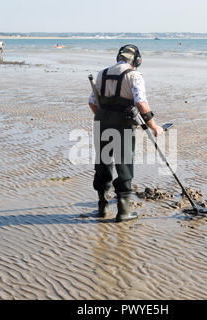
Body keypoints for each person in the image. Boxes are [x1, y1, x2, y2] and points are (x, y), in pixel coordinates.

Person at [88, 44, 163, 223]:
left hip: (102, 123)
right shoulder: (135, 76)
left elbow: (92, 102)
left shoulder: (101, 74)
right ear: (137, 60)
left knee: (103, 162)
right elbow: (141, 103)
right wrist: (154, 125)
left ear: (118, 57)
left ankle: (103, 207)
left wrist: (105, 117)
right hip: (123, 126)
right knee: (124, 165)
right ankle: (123, 212)